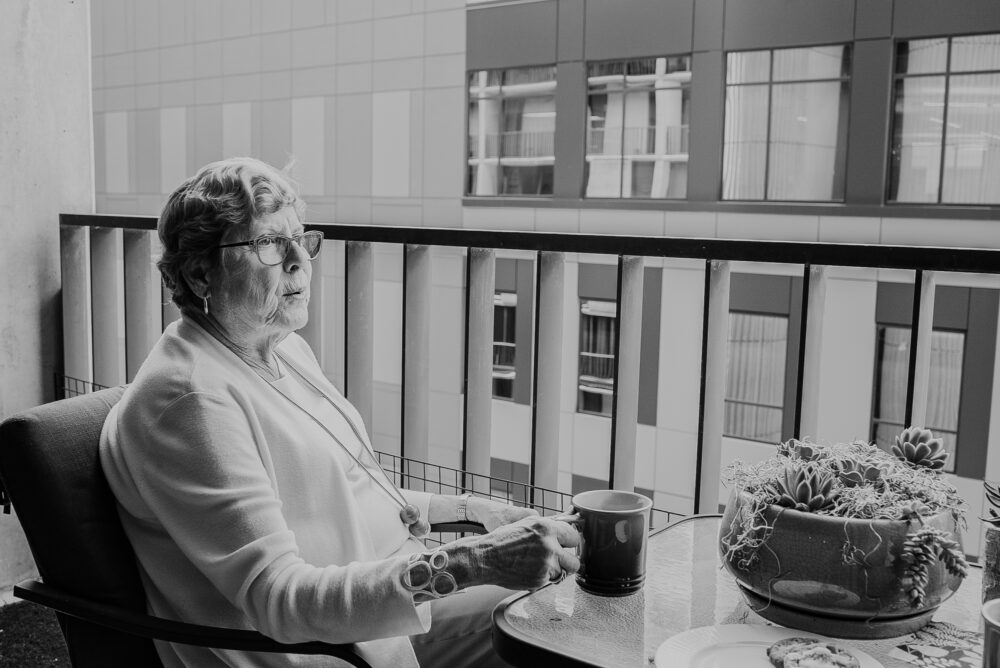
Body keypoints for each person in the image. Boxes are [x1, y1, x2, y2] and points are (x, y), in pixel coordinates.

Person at [99, 157, 581, 668]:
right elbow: (281, 602)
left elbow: (352, 487)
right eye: (266, 242)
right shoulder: (192, 402)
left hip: (387, 601)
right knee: (552, 619)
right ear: (200, 274)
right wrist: (477, 560)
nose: (297, 261)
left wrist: (476, 513)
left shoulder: (280, 349)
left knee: (566, 578)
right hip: (332, 648)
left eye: (299, 238)